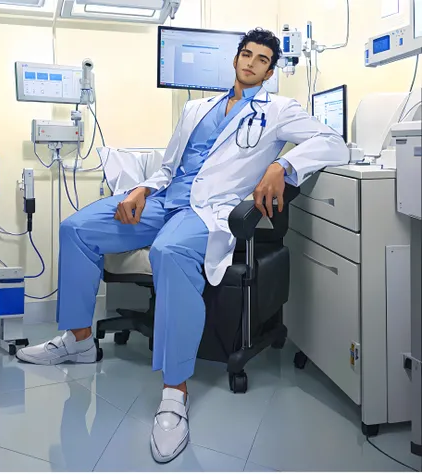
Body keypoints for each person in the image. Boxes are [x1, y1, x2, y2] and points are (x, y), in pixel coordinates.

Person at [17, 28, 349, 463]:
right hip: (164, 200)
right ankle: (78, 341)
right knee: (76, 228)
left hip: (207, 212)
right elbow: (170, 166)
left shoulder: (280, 110)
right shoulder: (197, 108)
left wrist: (282, 163)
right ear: (234, 59)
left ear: (270, 71)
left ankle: (175, 393)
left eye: (261, 59)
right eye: (245, 54)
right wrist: (140, 190)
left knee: (169, 253)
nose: (250, 63)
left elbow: (334, 142)